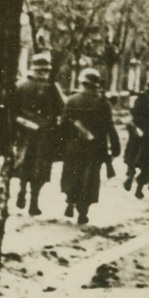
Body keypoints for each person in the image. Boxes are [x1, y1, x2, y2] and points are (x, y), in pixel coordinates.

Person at [60, 68, 120, 225]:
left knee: (72, 174)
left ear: (82, 83)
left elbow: (63, 124)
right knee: (90, 178)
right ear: (96, 85)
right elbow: (110, 127)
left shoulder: (72, 100)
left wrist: (63, 144)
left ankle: (70, 202)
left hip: (74, 146)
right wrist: (115, 147)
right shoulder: (103, 103)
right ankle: (83, 211)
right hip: (96, 148)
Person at [12, 52, 64, 216]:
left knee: (24, 164)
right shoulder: (51, 88)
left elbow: (12, 110)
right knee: (40, 169)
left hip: (25, 133)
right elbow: (62, 108)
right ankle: (34, 201)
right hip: (44, 135)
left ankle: (22, 191)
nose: (44, 74)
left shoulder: (19, 85)